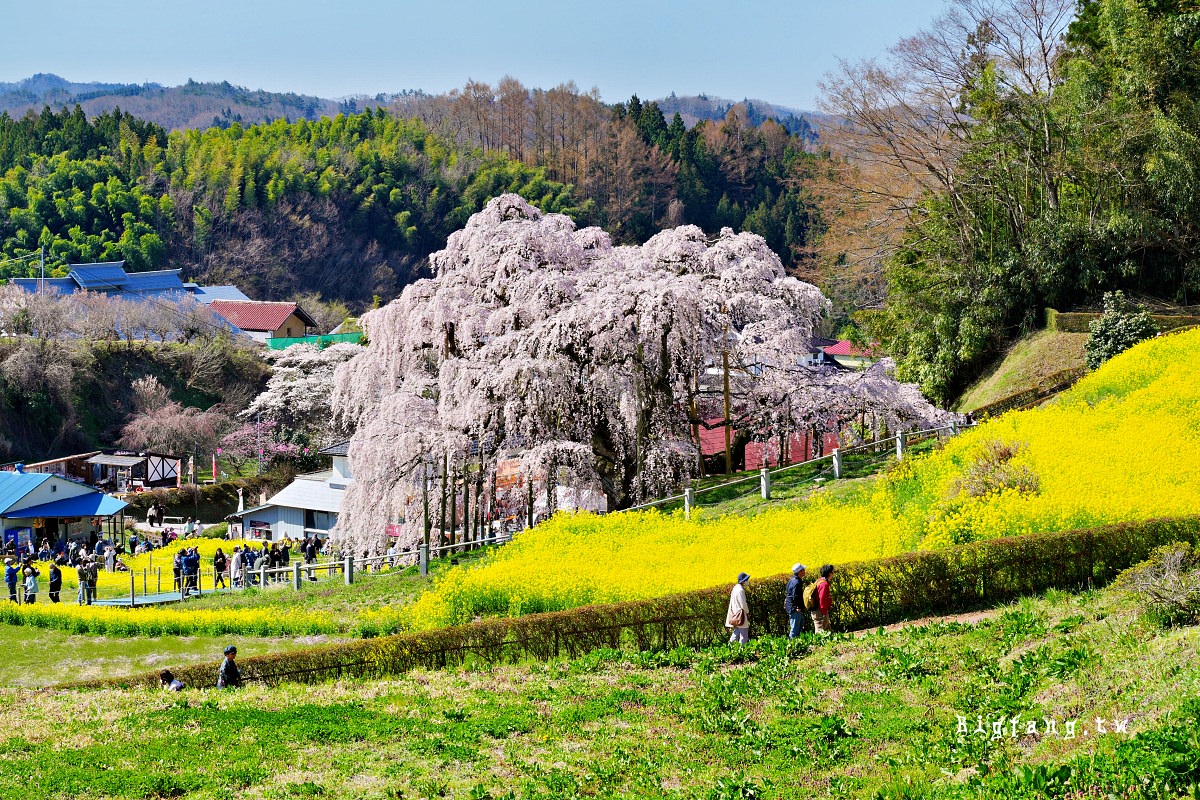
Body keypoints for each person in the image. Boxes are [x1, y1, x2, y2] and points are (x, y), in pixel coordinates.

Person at [725, 572, 751, 645]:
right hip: (740, 615)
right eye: (747, 580)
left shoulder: (735, 588)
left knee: (736, 633)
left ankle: (730, 648)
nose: (747, 581)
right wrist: (747, 612)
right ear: (743, 581)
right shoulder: (740, 590)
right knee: (744, 635)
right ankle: (742, 650)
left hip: (735, 615)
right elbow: (743, 604)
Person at [784, 563, 808, 639]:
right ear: (799, 572)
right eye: (803, 570)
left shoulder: (792, 580)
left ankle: (797, 642)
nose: (805, 571)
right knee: (794, 628)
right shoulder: (797, 582)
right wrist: (798, 606)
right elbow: (796, 596)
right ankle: (791, 644)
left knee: (800, 624)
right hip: (795, 608)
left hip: (791, 607)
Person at [809, 564, 835, 634]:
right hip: (819, 611)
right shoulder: (824, 584)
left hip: (819, 609)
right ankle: (818, 644)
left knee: (827, 630)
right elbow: (822, 598)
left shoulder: (820, 580)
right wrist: (824, 611)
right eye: (833, 572)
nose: (834, 574)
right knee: (820, 632)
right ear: (829, 573)